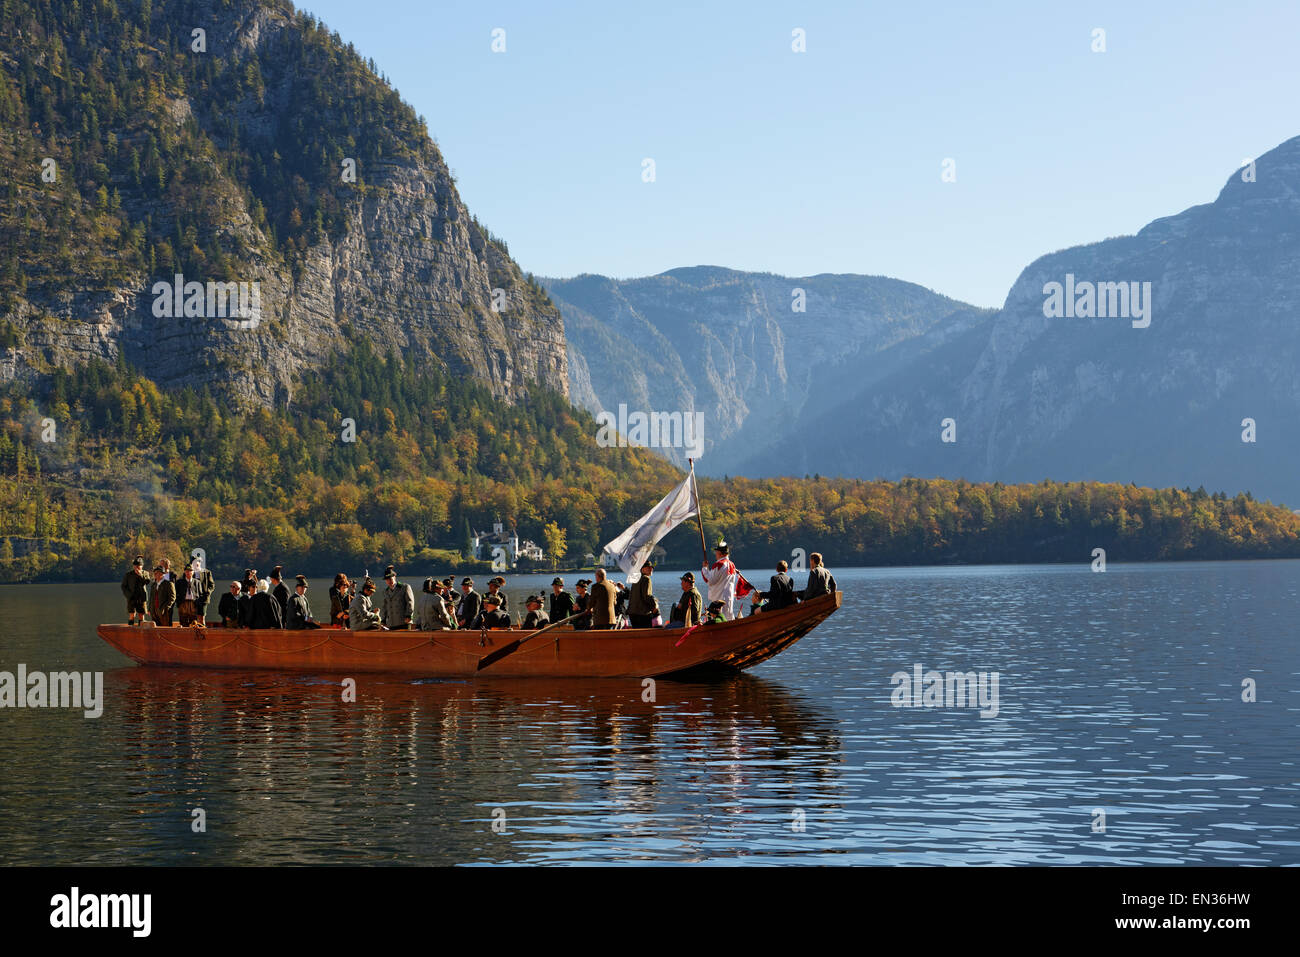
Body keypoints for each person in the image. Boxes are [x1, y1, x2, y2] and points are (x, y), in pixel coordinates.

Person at [701, 540, 739, 620]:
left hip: (719, 598)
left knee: (720, 619)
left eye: (716, 552)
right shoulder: (732, 564)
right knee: (728, 618)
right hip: (728, 597)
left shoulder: (719, 564)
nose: (715, 554)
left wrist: (704, 568)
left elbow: (710, 581)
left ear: (720, 553)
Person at [381, 565, 414, 630]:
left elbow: (410, 602)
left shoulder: (404, 587)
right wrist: (383, 620)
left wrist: (409, 616)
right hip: (391, 623)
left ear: (394, 577)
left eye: (390, 578)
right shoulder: (385, 591)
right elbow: (384, 607)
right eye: (387, 579)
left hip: (404, 622)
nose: (389, 581)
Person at [626, 560, 657, 628]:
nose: (651, 569)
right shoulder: (646, 579)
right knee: (646, 635)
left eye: (651, 568)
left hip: (632, 613)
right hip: (642, 613)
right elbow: (647, 596)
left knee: (637, 634)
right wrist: (655, 605)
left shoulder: (636, 578)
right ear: (642, 569)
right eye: (648, 567)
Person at [176, 563, 207, 628]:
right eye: (187, 571)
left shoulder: (197, 582)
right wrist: (179, 603)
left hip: (193, 604)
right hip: (183, 604)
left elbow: (200, 594)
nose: (188, 572)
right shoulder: (179, 582)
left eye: (190, 571)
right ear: (184, 572)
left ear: (193, 572)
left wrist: (197, 603)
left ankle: (192, 637)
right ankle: (184, 636)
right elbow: (176, 593)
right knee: (183, 621)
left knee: (193, 622)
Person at [121, 556, 148, 626]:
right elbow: (123, 586)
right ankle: (130, 629)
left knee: (141, 615)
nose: (136, 567)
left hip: (141, 598)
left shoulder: (145, 573)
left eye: (138, 566)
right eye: (135, 566)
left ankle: (142, 630)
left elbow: (146, 582)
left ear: (142, 566)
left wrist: (140, 575)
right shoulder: (128, 575)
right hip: (131, 598)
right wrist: (128, 595)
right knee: (131, 614)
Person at [192, 557, 215, 624]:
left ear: (200, 563)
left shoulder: (207, 572)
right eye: (194, 562)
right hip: (193, 598)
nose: (196, 564)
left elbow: (212, 585)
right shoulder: (190, 572)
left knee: (202, 617)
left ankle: (203, 632)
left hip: (203, 598)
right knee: (193, 618)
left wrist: (207, 592)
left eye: (197, 562)